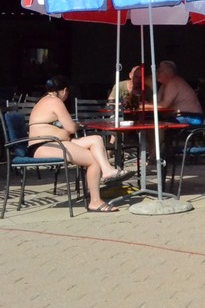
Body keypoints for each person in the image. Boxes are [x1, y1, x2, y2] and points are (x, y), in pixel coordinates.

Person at [27, 75, 131, 213]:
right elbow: (70, 128)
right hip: (44, 145)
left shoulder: (45, 100)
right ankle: (95, 202)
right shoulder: (55, 101)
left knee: (96, 139)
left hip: (54, 142)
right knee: (93, 160)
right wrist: (75, 125)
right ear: (65, 90)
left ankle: (107, 170)